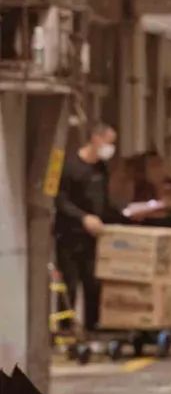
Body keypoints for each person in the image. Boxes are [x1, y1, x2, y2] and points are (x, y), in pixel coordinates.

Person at [54, 121, 124, 332]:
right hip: (69, 235)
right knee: (69, 284)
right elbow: (60, 200)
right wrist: (83, 218)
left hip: (93, 236)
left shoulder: (101, 168)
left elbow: (103, 201)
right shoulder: (69, 166)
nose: (110, 148)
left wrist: (122, 217)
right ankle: (65, 330)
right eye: (108, 142)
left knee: (93, 282)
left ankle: (93, 327)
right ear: (96, 138)